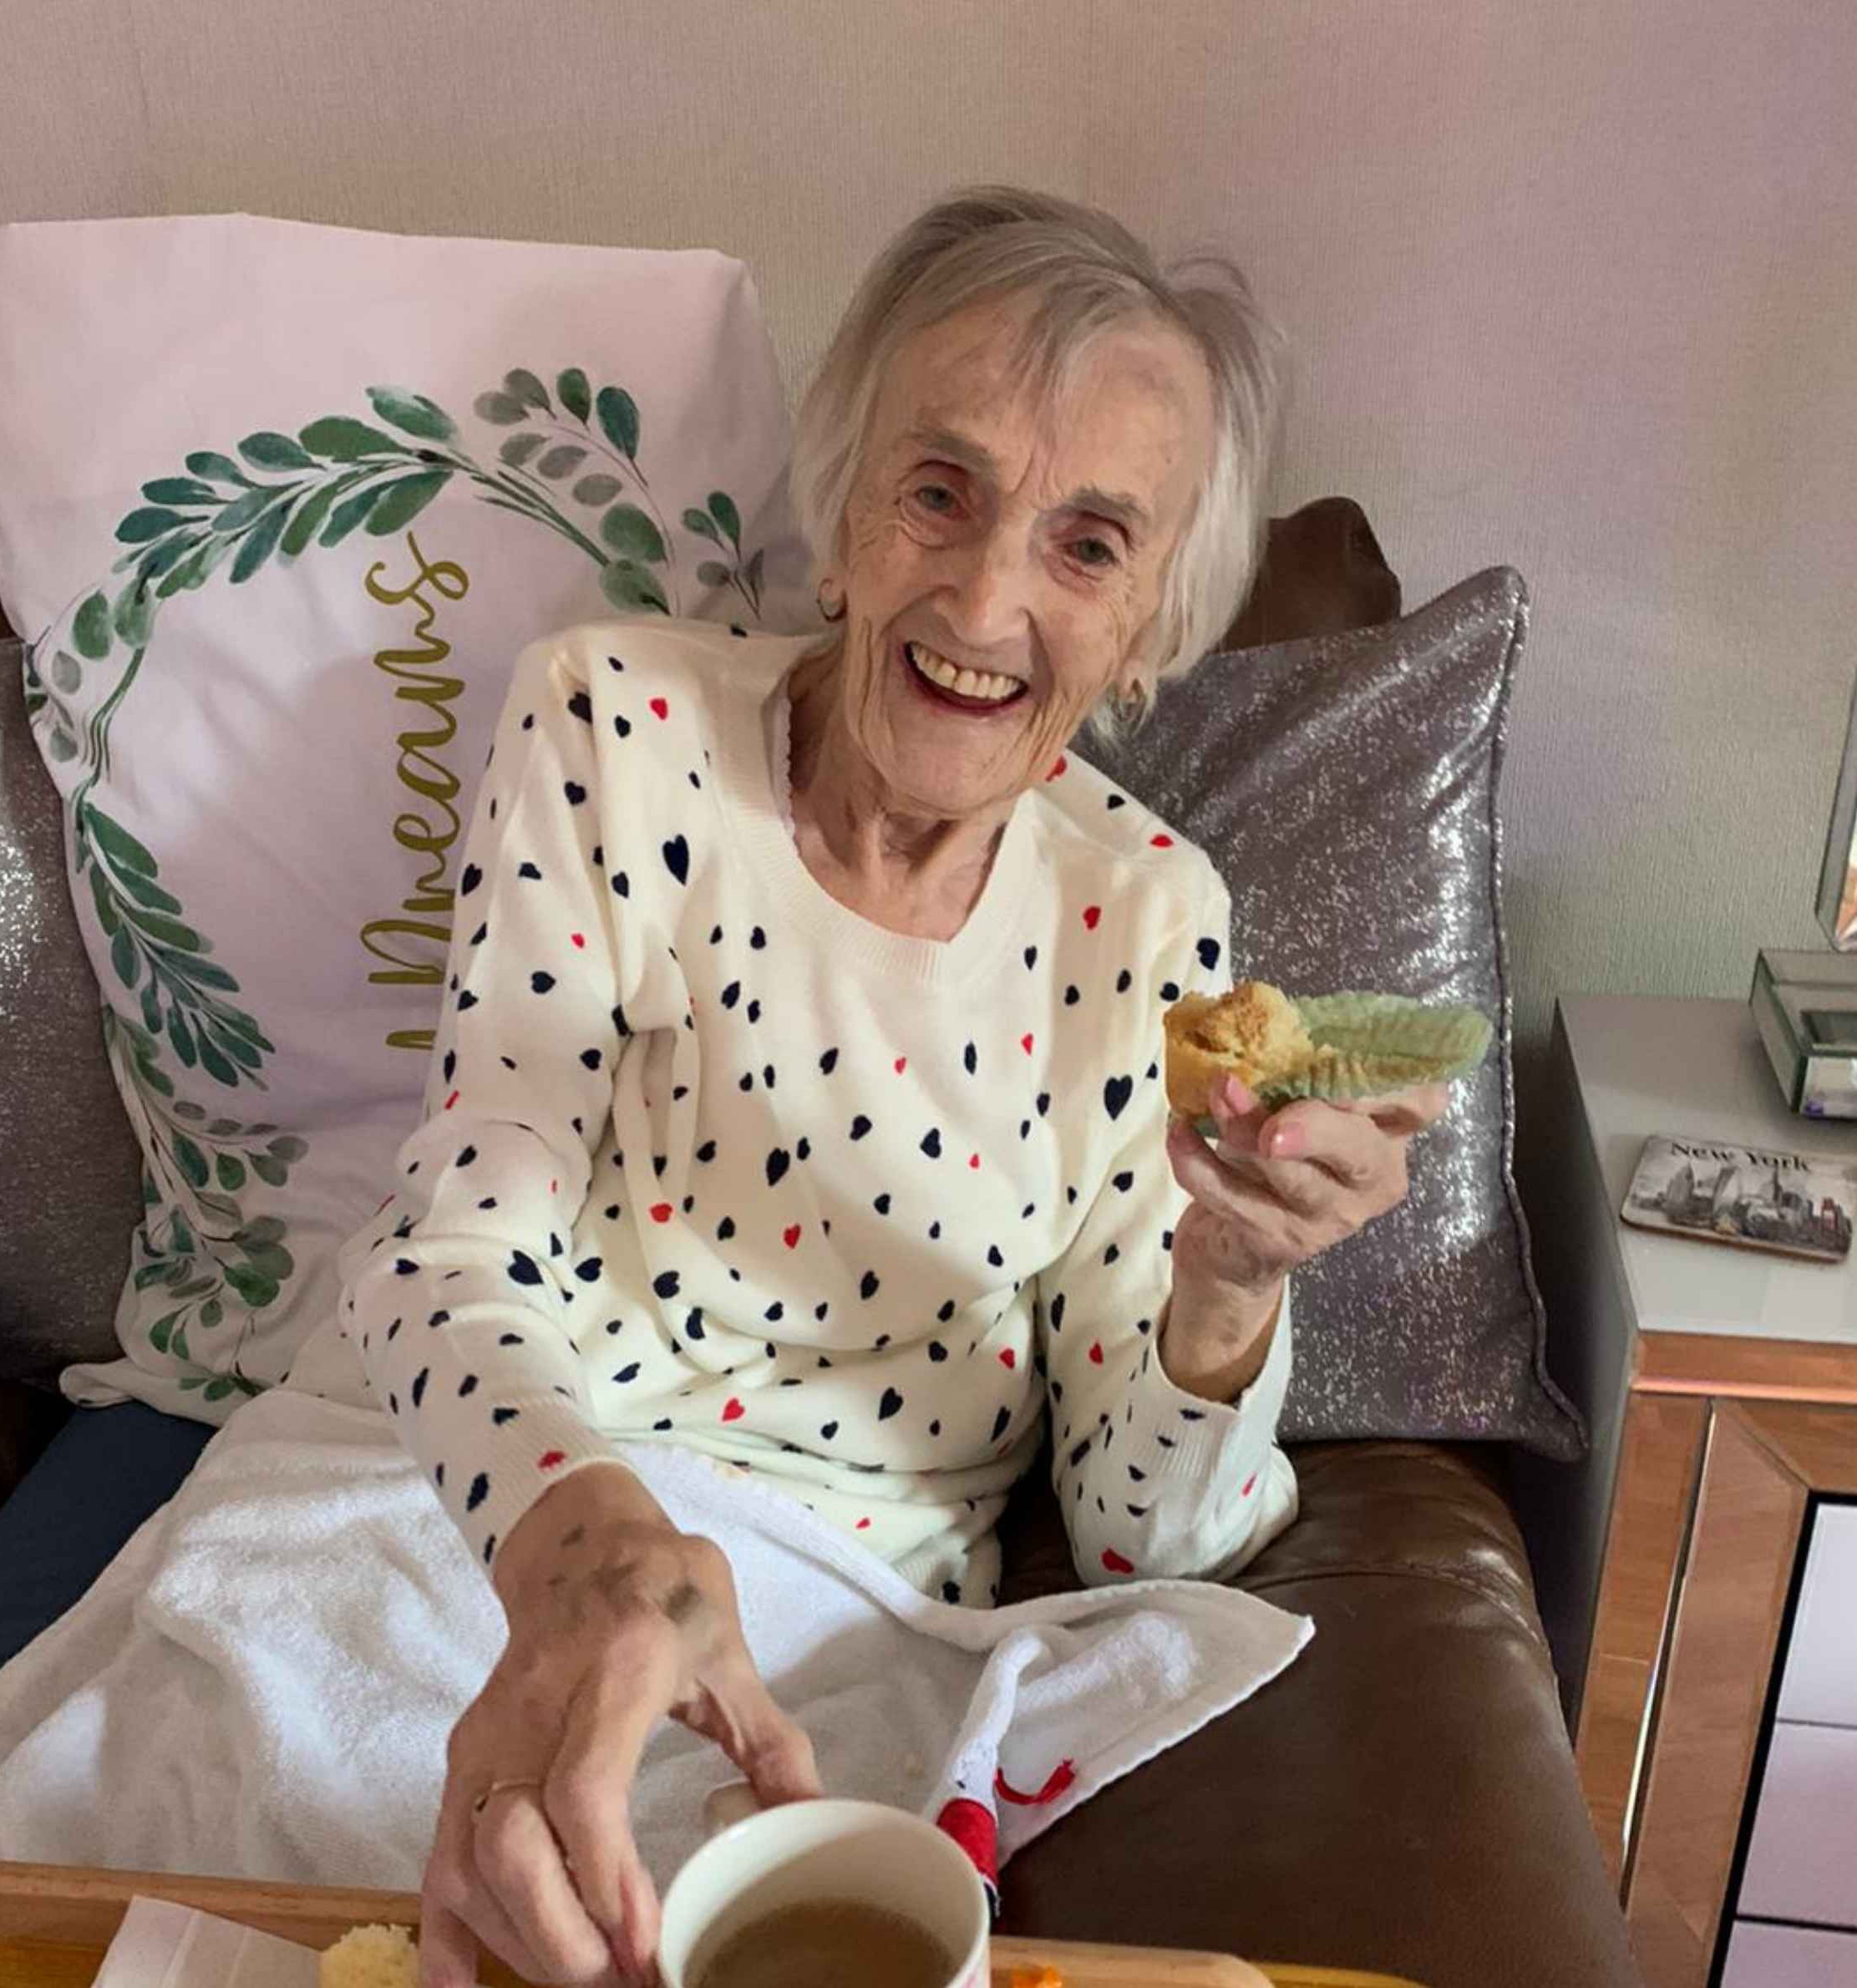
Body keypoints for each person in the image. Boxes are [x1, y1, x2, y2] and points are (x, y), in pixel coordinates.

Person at [331, 185, 1450, 1984]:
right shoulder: (606, 725)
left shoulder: (1148, 917)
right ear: (841, 514)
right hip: (487, 1491)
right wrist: (593, 1548)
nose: (987, 596)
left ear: (1151, 625)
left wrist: (1231, 1278)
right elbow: (443, 1244)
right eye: (941, 491)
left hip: (840, 1613)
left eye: (1088, 544)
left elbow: (1137, 1530)